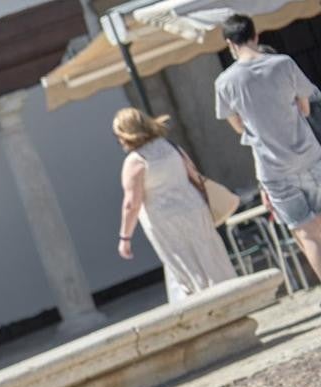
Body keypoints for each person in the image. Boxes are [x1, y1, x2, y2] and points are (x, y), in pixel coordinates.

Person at [215, 13, 321, 279]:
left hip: (273, 169)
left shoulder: (224, 83)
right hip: (309, 156)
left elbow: (237, 126)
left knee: (307, 233)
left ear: (229, 43)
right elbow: (306, 107)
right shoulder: (283, 63)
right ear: (255, 35)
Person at [114, 108, 237, 302]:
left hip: (165, 220)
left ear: (124, 133)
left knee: (184, 264)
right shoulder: (170, 146)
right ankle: (232, 296)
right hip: (194, 208)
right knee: (211, 255)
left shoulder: (135, 162)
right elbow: (195, 175)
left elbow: (131, 203)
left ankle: (203, 305)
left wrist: (125, 237)